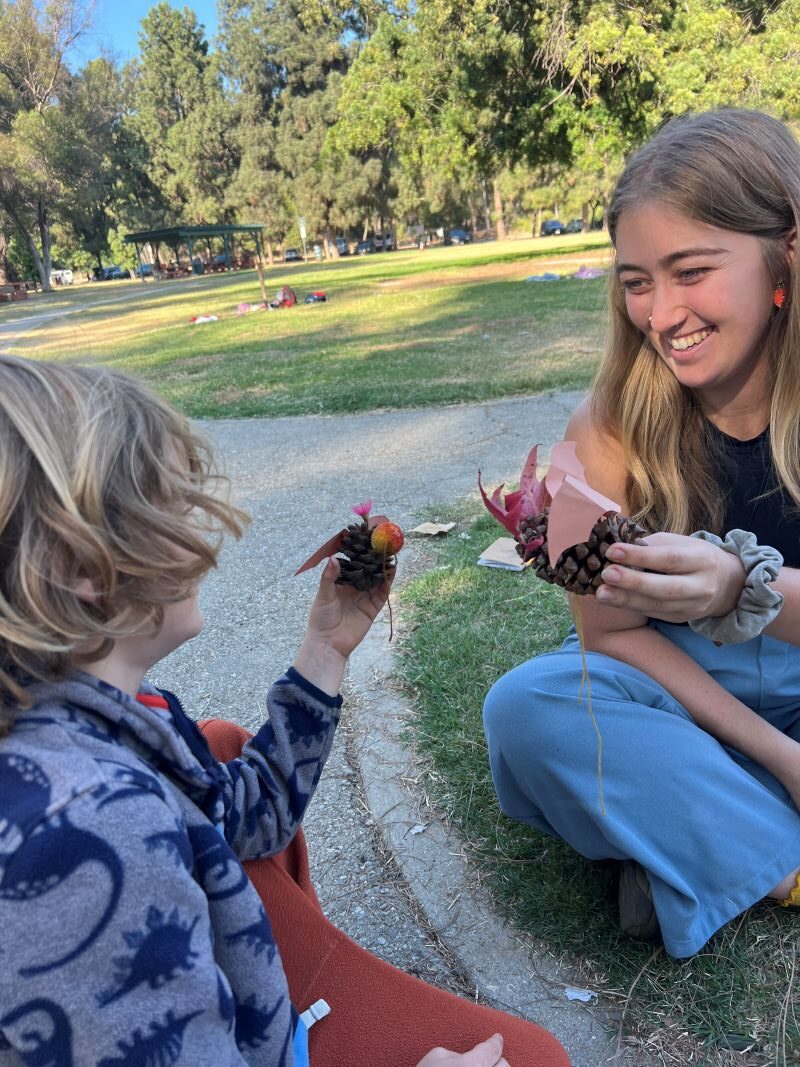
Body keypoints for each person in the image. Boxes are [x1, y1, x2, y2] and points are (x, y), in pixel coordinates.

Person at [0, 356, 569, 1066]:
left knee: (222, 741)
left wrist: (325, 651)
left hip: (237, 1005)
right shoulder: (91, 828)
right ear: (81, 565)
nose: (206, 534)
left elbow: (250, 815)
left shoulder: (107, 716)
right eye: (175, 505)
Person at [483, 107, 800, 959]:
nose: (661, 314)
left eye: (690, 271)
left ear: (786, 256)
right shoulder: (608, 419)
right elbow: (609, 633)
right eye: (635, 280)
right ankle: (773, 854)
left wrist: (742, 587)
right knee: (527, 709)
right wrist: (782, 756)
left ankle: (689, 840)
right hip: (683, 687)